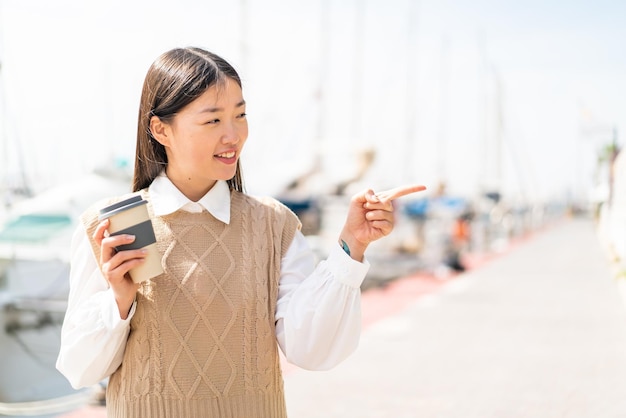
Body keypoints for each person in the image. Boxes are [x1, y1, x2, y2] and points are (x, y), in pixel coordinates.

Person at [56, 46, 425, 418]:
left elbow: (310, 349)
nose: (233, 135)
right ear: (160, 129)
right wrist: (118, 301)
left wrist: (352, 247)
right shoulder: (115, 223)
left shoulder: (272, 224)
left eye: (241, 115)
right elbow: (80, 369)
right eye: (213, 120)